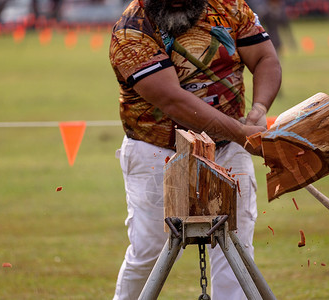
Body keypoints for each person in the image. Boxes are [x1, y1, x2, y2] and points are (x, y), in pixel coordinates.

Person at [109, 0, 281, 299]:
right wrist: (241, 132)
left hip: (227, 148)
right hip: (156, 151)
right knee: (148, 253)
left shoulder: (230, 6)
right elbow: (173, 101)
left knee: (236, 251)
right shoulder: (131, 30)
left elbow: (265, 57)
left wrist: (259, 108)